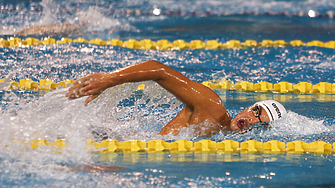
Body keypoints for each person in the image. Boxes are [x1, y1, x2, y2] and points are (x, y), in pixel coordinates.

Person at [66, 60, 287, 137]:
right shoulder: (211, 107)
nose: (252, 120)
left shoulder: (223, 138)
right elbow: (159, 70)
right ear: (250, 107)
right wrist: (110, 80)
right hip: (111, 141)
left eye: (261, 123)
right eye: (256, 112)